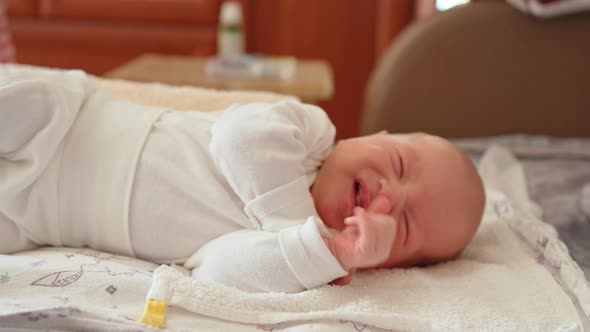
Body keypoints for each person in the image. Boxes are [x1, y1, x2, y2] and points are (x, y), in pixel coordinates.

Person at [0, 67, 485, 293]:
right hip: (66, 126)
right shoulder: (310, 135)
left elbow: (217, 274)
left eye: (401, 227)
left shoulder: (299, 257)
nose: (390, 195)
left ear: (391, 264)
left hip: (39, 220)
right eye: (399, 165)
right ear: (374, 135)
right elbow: (240, 137)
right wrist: (291, 223)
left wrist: (333, 253)